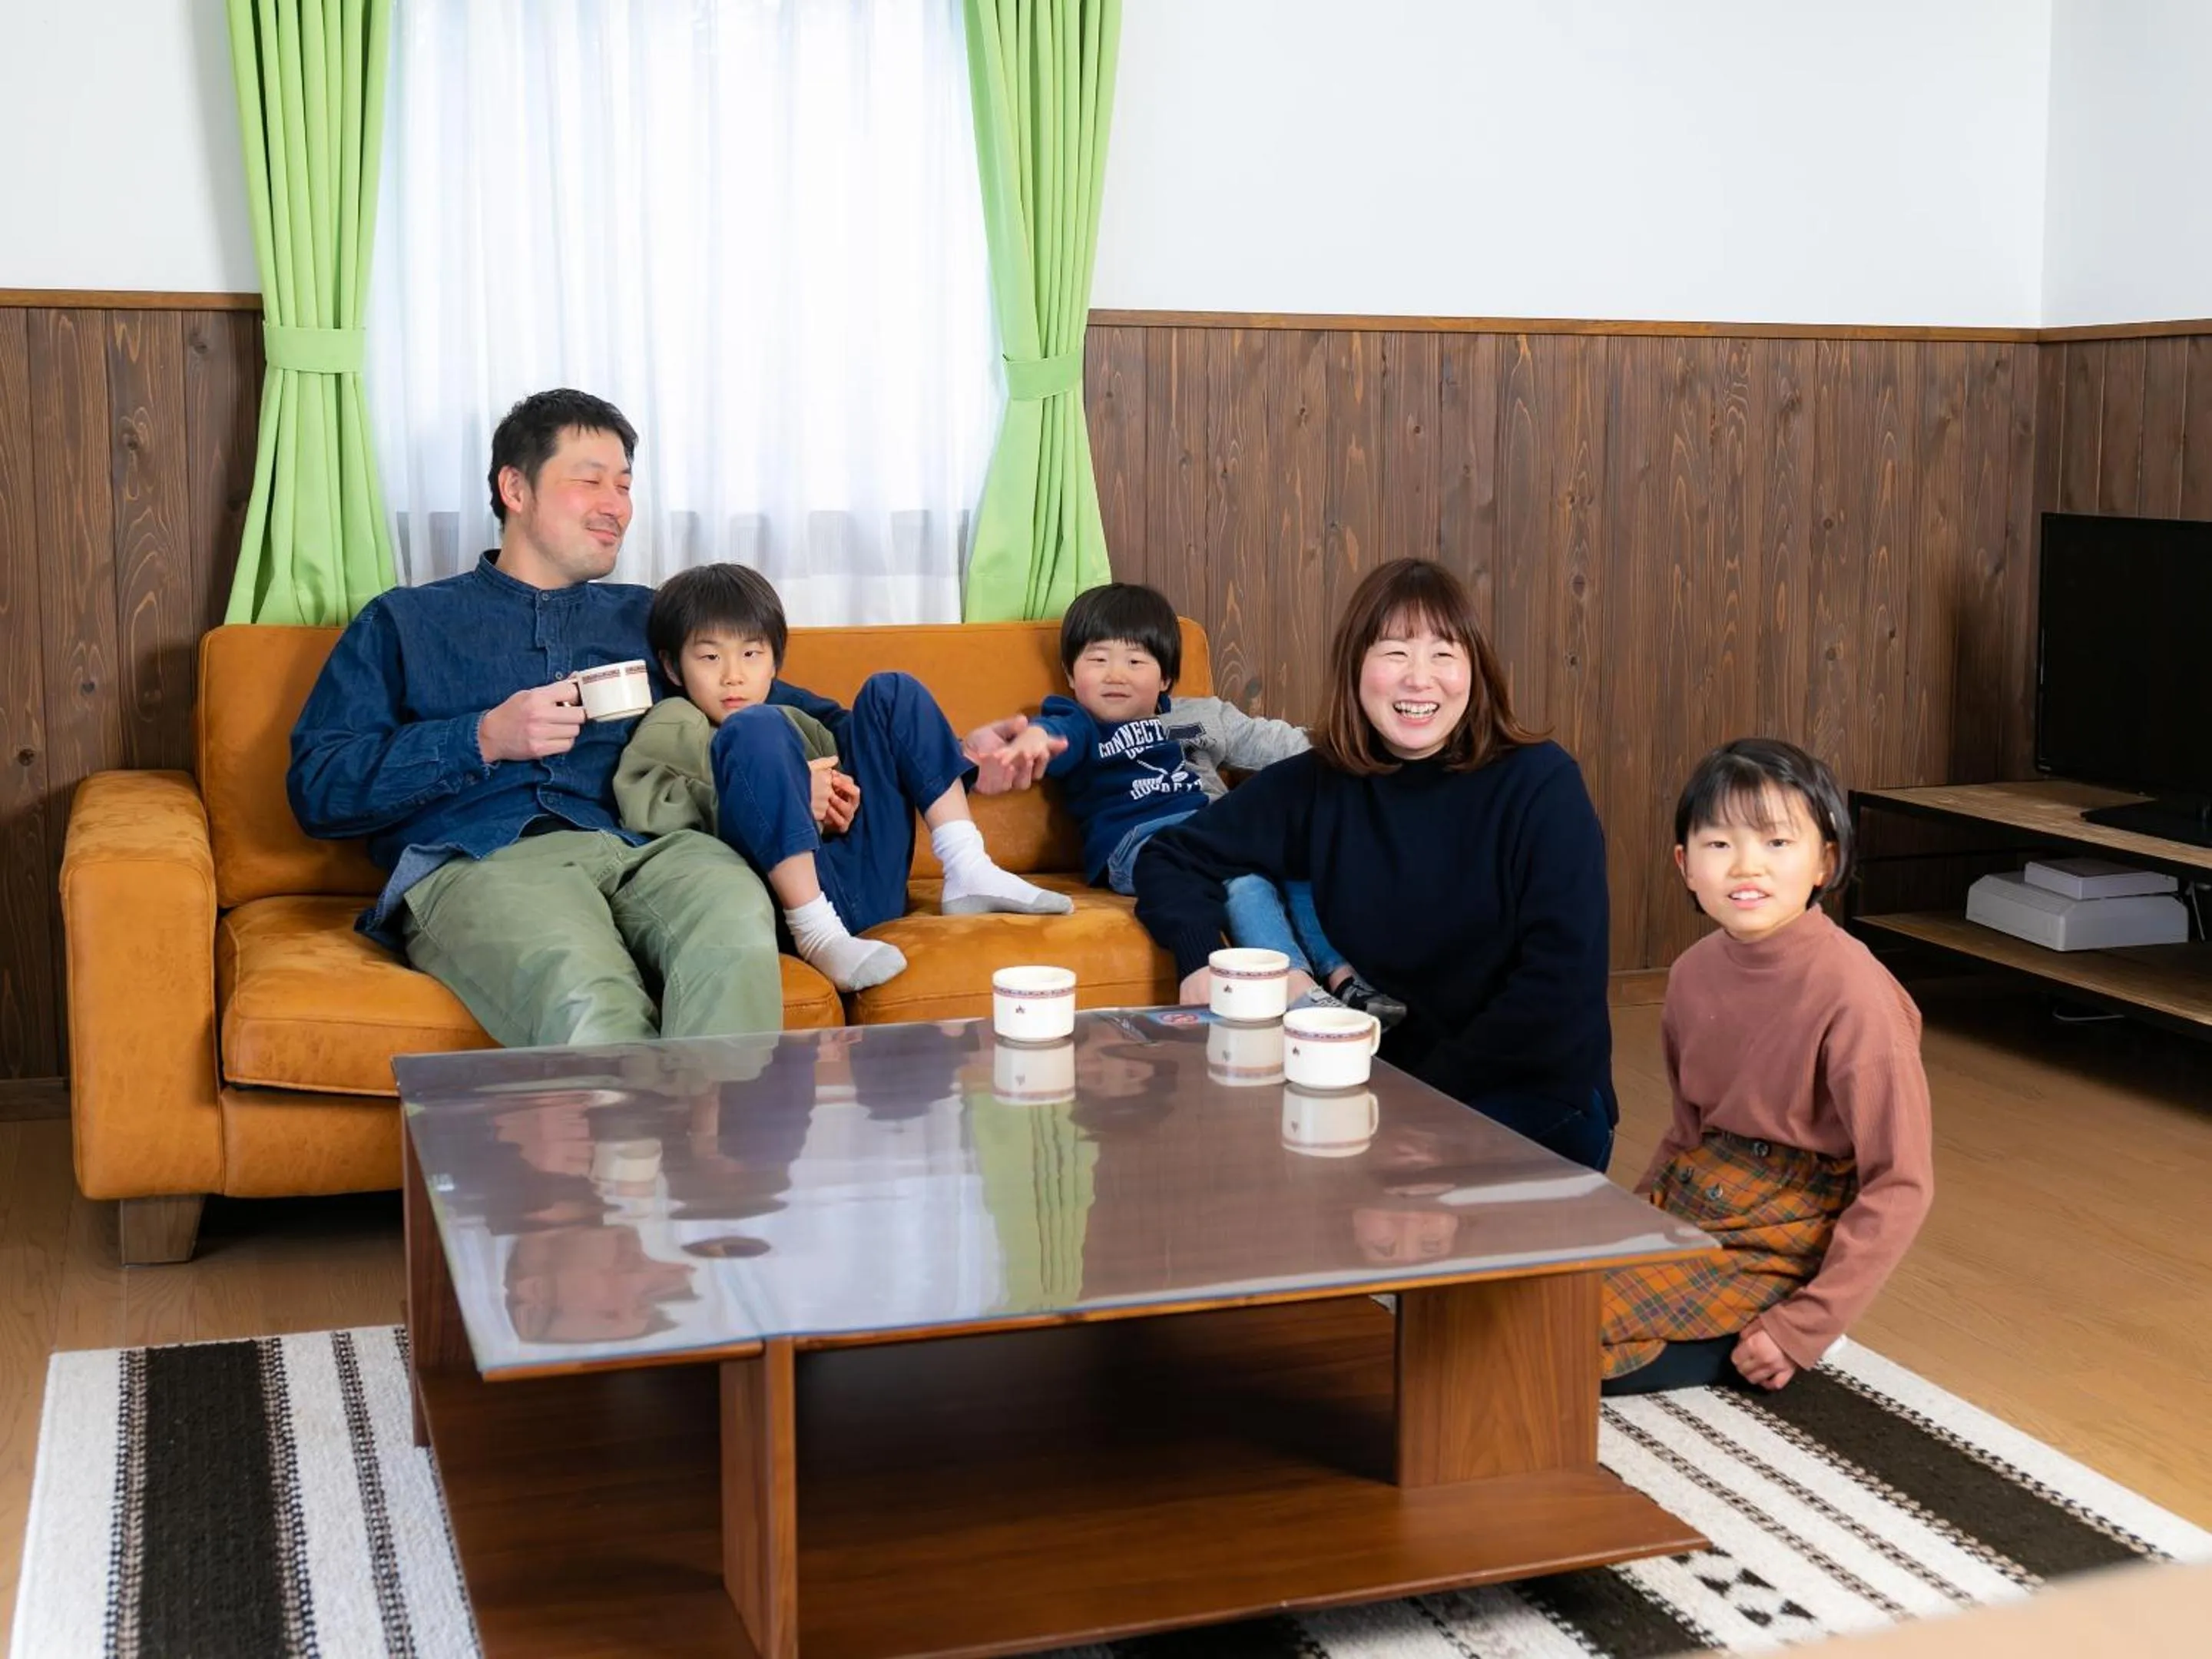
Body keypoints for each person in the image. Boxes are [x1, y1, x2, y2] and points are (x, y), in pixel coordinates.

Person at [288, 389, 785, 1047]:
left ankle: (722, 1150)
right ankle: (650, 1146)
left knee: (734, 924)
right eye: (590, 481)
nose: (616, 506)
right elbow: (320, 788)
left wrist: (901, 758)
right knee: (591, 1001)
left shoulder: (648, 615)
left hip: (651, 848)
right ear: (515, 489)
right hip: (484, 860)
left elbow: (768, 695)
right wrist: (481, 739)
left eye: (626, 486)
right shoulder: (406, 622)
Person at [1131, 558, 1617, 1170]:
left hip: (1533, 1092)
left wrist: (1414, 1107)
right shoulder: (1321, 784)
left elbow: (1558, 994)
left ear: (1476, 671)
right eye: (1395, 653)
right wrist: (1198, 955)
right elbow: (1174, 856)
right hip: (1387, 1093)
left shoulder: (1542, 784)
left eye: (1444, 654)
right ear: (1357, 666)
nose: (1420, 680)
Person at [1600, 739, 1933, 1396]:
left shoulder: (1857, 995)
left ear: (1824, 862)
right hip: (1701, 1191)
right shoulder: (1693, 972)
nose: (1746, 866)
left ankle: (1747, 1334)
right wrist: (1632, 1221)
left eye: (1777, 843)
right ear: (1685, 865)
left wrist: (1805, 1327)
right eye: (1719, 844)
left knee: (1562, 1333)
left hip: (1789, 1224)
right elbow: (1686, 1132)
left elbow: (1901, 1183)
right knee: (1527, 1290)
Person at [614, 562, 1071, 992]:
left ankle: (968, 867)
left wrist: (960, 753)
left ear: (775, 662)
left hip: (865, 880)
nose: (733, 677)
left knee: (892, 690)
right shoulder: (675, 720)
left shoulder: (795, 712)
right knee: (755, 727)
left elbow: (879, 744)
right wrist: (791, 799)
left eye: (751, 654)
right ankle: (817, 933)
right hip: (787, 905)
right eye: (710, 658)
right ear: (674, 667)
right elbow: (647, 807)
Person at [984, 579, 1401, 1022]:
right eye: (1098, 659)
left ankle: (1343, 977)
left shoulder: (1201, 716)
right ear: (1071, 674)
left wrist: (1368, 746)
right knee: (1247, 882)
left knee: (1297, 864)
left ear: (1164, 677)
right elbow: (1052, 734)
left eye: (1135, 660)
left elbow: (1281, 744)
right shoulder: (1079, 722)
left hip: (1213, 828)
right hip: (1138, 844)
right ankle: (1294, 988)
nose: (1115, 674)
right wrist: (1032, 739)